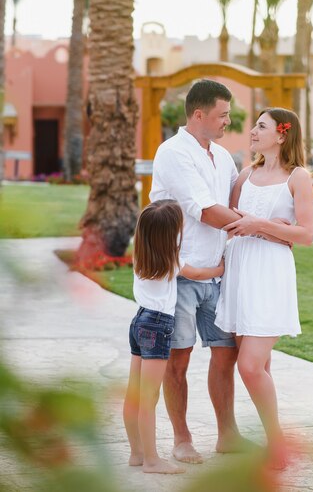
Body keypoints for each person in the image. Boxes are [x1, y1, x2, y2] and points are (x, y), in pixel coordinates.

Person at [149, 79, 246, 463]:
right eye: (223, 114)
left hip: (219, 276)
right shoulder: (172, 153)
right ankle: (182, 439)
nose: (228, 121)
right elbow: (205, 210)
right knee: (179, 359)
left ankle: (228, 435)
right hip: (183, 276)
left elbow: (239, 196)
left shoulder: (222, 157)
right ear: (199, 114)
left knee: (226, 354)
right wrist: (258, 227)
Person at [215, 107, 313, 470]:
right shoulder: (246, 174)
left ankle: (277, 445)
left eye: (261, 126)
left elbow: (306, 235)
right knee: (261, 366)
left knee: (250, 366)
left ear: (282, 134)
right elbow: (227, 219)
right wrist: (254, 224)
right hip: (240, 271)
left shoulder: (298, 177)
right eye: (255, 126)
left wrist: (264, 226)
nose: (252, 131)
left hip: (270, 274)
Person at [123, 199, 224, 474]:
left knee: (135, 394)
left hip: (139, 321)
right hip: (158, 325)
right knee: (149, 398)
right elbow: (201, 273)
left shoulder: (140, 256)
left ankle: (137, 453)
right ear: (172, 235)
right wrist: (220, 268)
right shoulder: (173, 261)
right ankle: (152, 461)